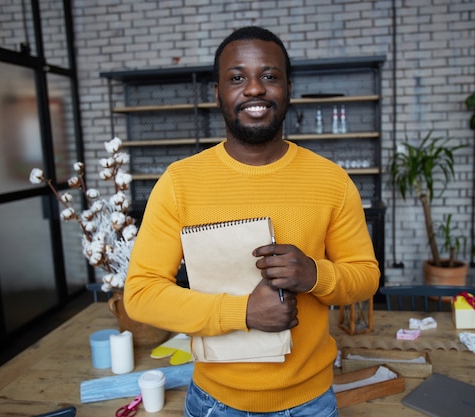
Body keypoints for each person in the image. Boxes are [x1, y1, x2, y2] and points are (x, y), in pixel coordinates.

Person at [124, 26, 380, 417]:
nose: (255, 89)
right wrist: (243, 313)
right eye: (238, 77)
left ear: (288, 88)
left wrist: (314, 275)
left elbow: (366, 276)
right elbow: (141, 294)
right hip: (215, 402)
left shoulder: (331, 181)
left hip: (310, 402)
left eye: (270, 76)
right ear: (218, 93)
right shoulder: (179, 183)